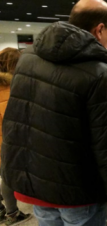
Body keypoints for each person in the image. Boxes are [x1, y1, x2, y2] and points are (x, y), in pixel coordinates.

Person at [1, 0, 107, 225]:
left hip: (38, 186)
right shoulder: (102, 75)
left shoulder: (28, 60)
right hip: (80, 194)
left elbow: (16, 124)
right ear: (99, 29)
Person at [0, 48, 32, 225]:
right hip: (6, 141)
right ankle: (12, 213)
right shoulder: (9, 88)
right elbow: (12, 121)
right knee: (8, 176)